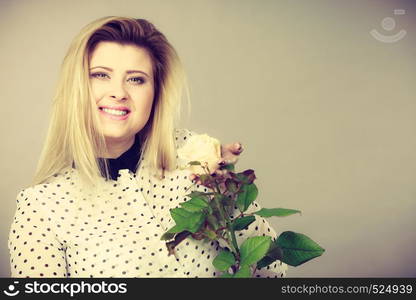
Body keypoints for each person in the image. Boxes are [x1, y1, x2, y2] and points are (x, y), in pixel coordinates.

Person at [8, 16, 288, 278]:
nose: (119, 92)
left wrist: (227, 195)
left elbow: (273, 270)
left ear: (155, 93)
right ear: (76, 86)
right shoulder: (42, 207)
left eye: (136, 79)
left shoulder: (193, 157)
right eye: (101, 75)